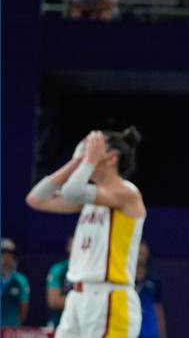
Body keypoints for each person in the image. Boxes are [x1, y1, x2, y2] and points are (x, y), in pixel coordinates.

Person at [26, 127, 146, 338]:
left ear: (111, 157)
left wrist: (87, 161)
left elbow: (73, 190)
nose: (86, 150)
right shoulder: (88, 200)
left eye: (93, 147)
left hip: (109, 297)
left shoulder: (127, 193)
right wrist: (78, 161)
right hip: (77, 297)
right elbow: (36, 198)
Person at [136, 241, 168, 338]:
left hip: (149, 331)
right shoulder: (126, 279)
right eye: (139, 252)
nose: (141, 255)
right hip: (132, 328)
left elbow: (158, 308)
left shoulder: (153, 280)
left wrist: (162, 334)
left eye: (144, 253)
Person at [46, 235, 74, 329]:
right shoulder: (59, 269)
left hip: (85, 325)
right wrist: (83, 300)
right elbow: (54, 302)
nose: (76, 248)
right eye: (72, 245)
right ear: (68, 247)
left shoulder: (91, 271)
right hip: (59, 325)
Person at [1, 238, 30, 327]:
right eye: (2, 253)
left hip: (12, 329)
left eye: (9, 254)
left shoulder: (21, 280)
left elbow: (23, 313)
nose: (6, 257)